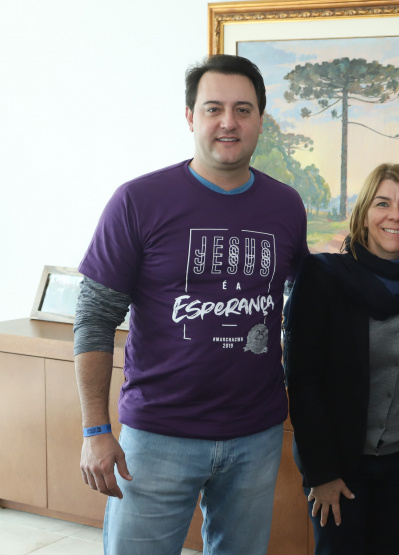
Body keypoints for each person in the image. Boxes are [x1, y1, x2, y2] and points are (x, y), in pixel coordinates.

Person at [74, 54, 309, 554]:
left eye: (243, 109)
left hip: (256, 435)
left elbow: (301, 299)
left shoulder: (286, 206)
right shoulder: (138, 201)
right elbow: (94, 318)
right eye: (214, 108)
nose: (229, 122)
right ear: (190, 117)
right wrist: (96, 428)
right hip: (157, 438)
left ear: (260, 120)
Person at [284, 163, 399, 555]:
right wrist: (322, 474)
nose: (395, 215)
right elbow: (303, 382)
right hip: (340, 462)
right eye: (383, 203)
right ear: (363, 215)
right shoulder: (323, 276)